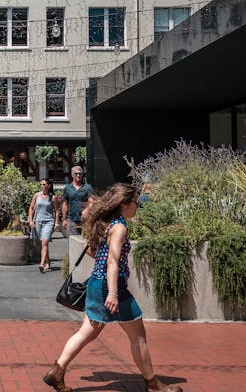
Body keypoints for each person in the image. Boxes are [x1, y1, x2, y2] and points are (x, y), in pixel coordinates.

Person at [43, 183, 182, 392]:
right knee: (138, 335)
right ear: (124, 204)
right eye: (135, 202)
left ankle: (57, 371)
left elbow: (91, 251)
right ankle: (152, 383)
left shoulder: (106, 223)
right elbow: (112, 262)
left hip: (96, 283)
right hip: (111, 287)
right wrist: (114, 293)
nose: (137, 206)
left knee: (86, 333)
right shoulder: (119, 227)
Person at [28, 178, 57, 273]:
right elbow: (31, 208)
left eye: (44, 184)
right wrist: (31, 220)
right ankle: (48, 261)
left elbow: (56, 211)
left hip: (49, 222)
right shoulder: (36, 195)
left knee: (44, 242)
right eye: (41, 184)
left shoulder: (52, 197)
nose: (42, 186)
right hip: (38, 221)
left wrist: (56, 223)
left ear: (48, 186)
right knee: (43, 243)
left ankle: (41, 264)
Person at [60, 166, 93, 237]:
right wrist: (64, 219)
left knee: (85, 243)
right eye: (76, 173)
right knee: (73, 244)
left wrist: (87, 210)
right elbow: (65, 204)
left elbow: (92, 202)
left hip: (85, 220)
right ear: (72, 175)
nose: (78, 175)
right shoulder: (67, 188)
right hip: (71, 219)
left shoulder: (88, 187)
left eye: (80, 173)